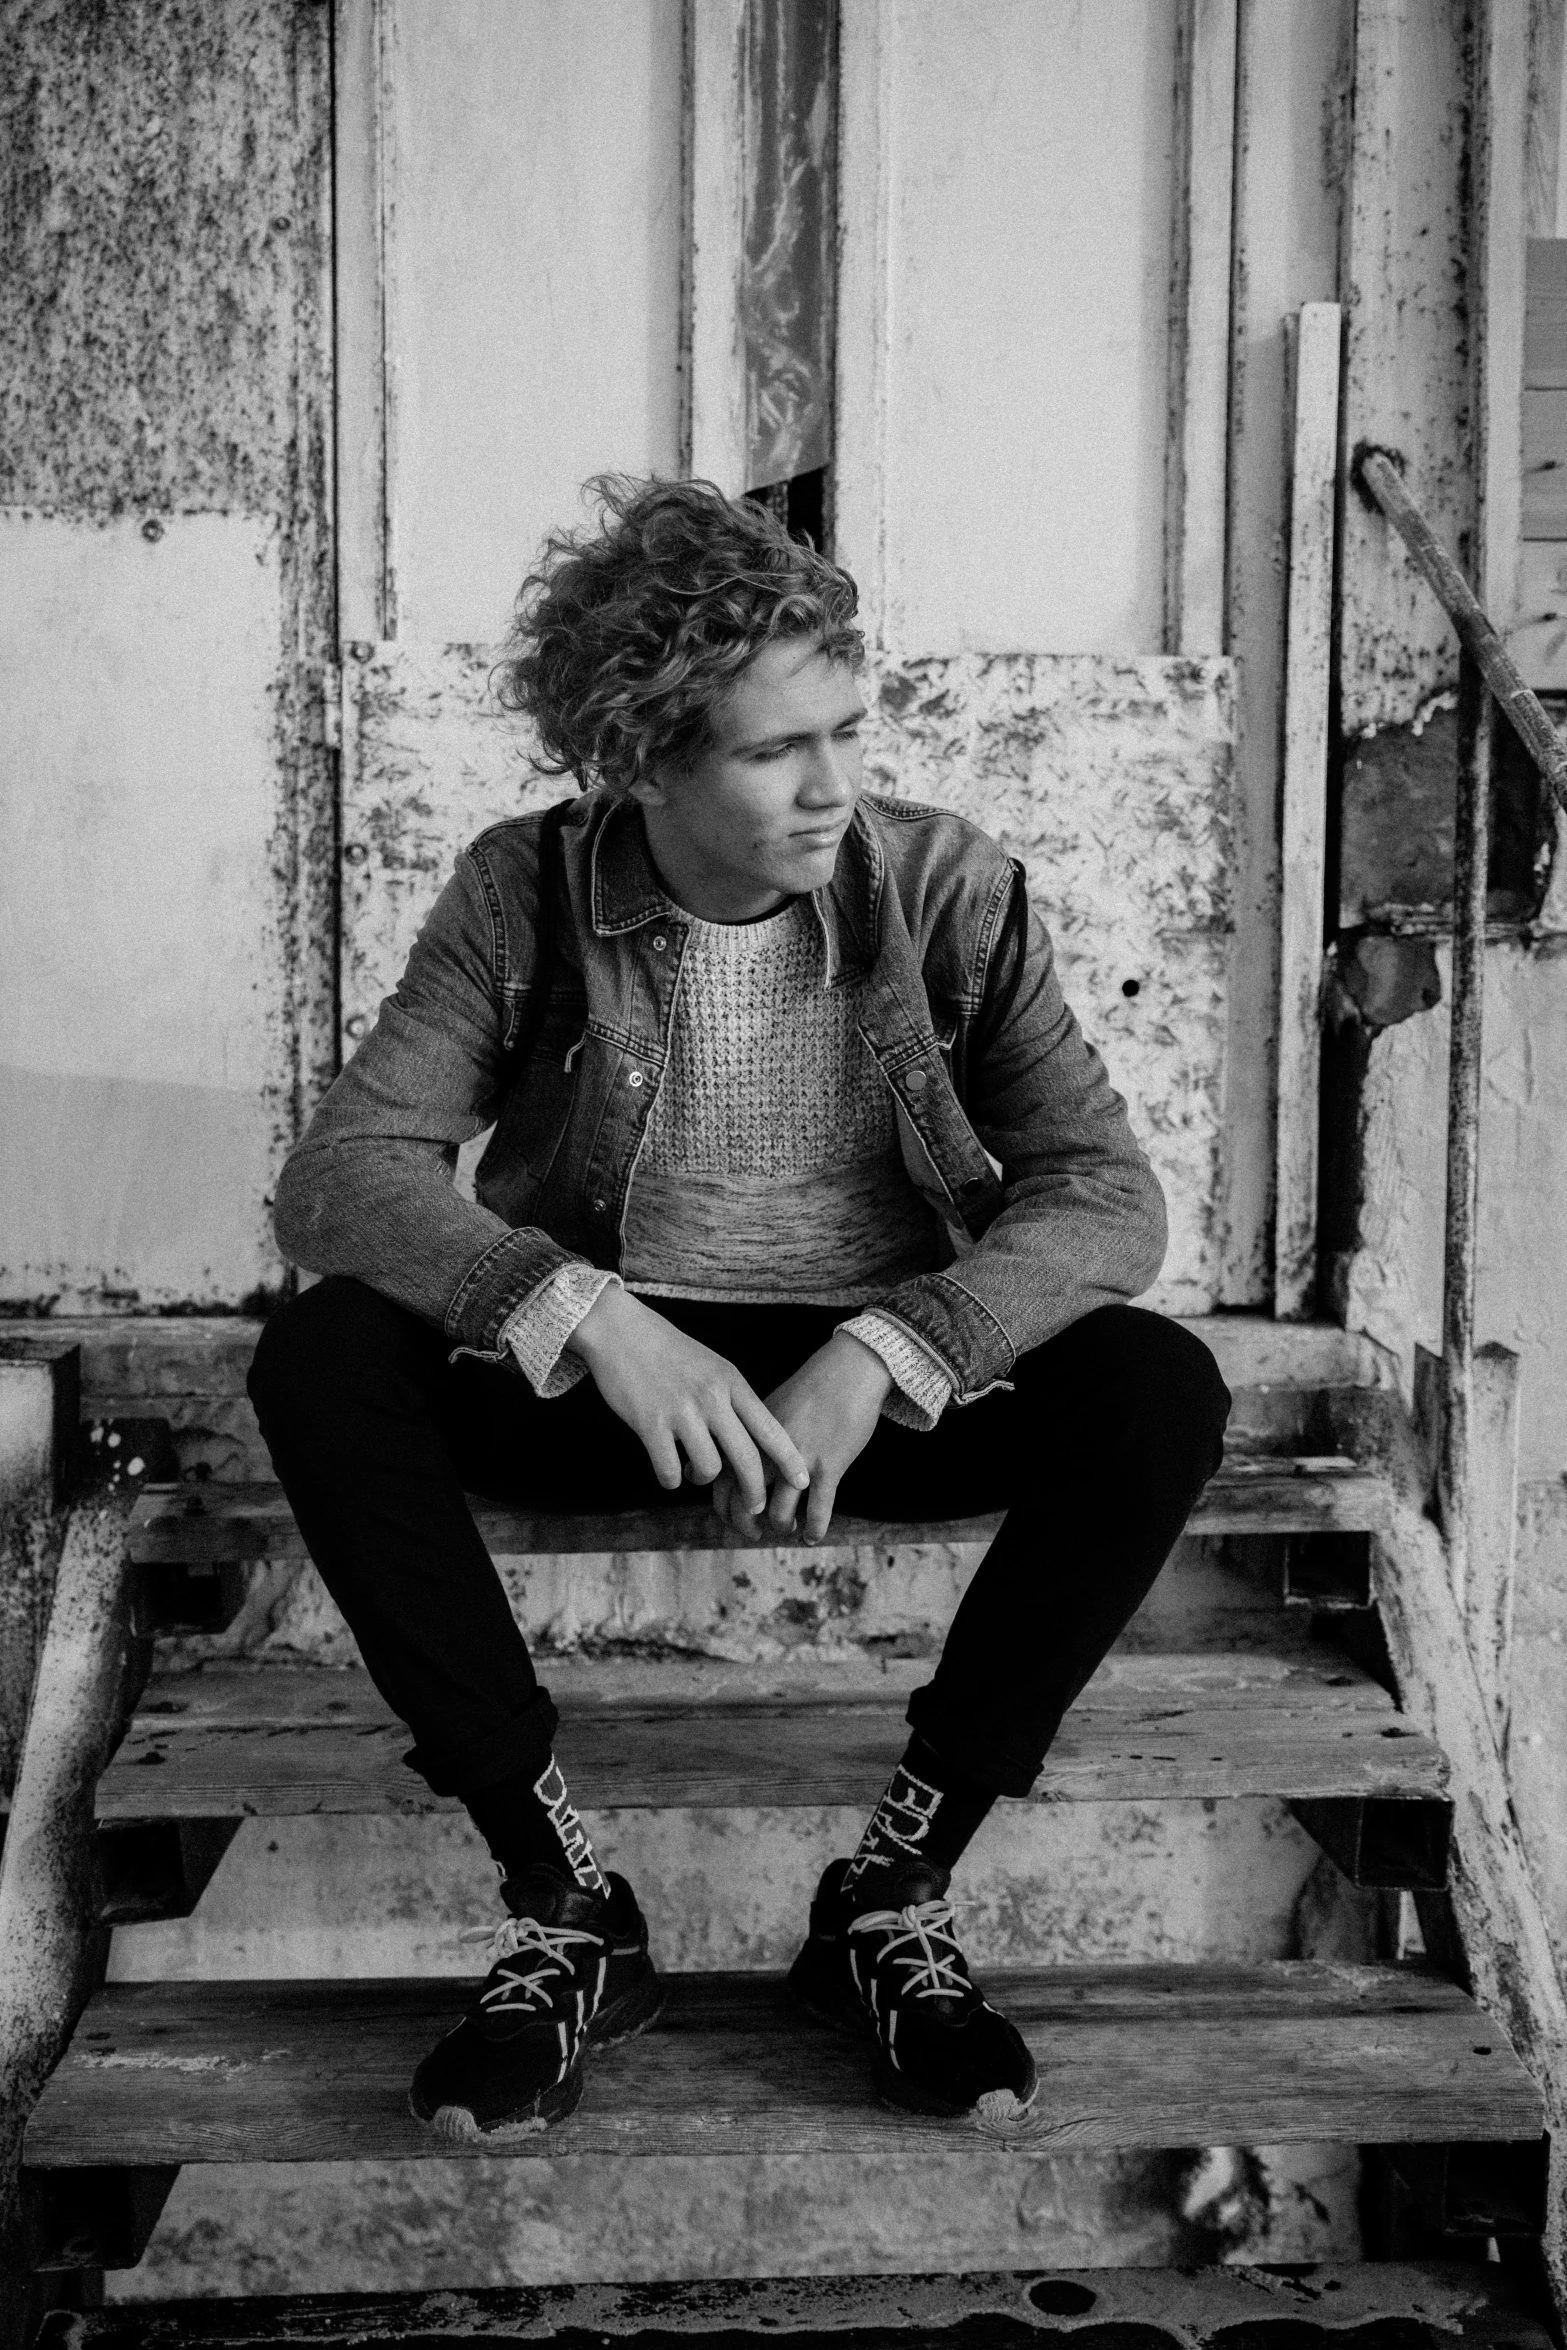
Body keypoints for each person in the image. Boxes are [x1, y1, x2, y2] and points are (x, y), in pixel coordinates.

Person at [249, 475, 1230, 2144]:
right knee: (325, 1351)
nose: (837, 784)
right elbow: (340, 1176)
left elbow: (1105, 1193)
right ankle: (564, 1906)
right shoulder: (524, 889)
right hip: (614, 1381)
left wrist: (897, 1343)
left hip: (860, 1395)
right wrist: (584, 1311)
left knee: (1155, 1386)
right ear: (640, 757)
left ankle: (890, 1895)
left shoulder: (946, 887)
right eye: (778, 751)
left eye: (849, 726)